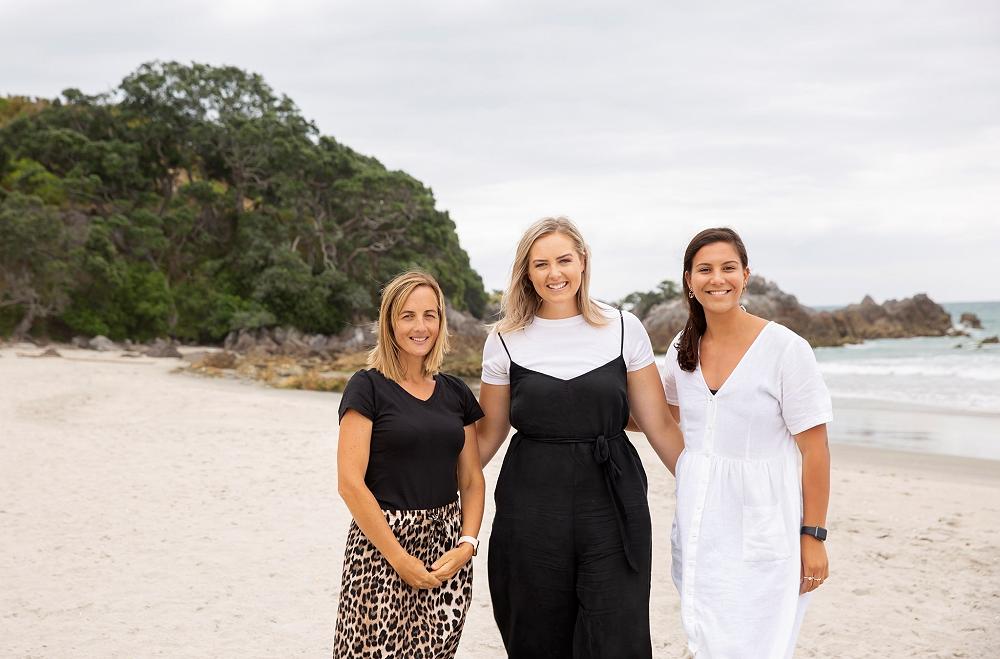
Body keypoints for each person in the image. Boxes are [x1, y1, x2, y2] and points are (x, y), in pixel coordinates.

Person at [477, 216, 685, 658]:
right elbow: (488, 435)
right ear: (527, 272)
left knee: (617, 632)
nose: (554, 273)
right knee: (535, 631)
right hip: (530, 504)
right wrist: (428, 482)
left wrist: (704, 484)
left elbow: (660, 425)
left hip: (613, 501)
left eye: (564, 260)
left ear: (583, 261)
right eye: (541, 264)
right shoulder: (504, 339)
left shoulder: (624, 327)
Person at [660, 228, 832, 658]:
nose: (717, 279)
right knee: (705, 639)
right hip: (699, 524)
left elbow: (815, 450)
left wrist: (814, 535)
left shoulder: (786, 349)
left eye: (728, 268)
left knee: (761, 643)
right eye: (705, 269)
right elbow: (658, 416)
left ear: (746, 276)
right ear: (689, 280)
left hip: (764, 523)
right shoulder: (682, 347)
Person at [334, 270, 485, 658]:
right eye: (408, 316)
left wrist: (467, 544)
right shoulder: (367, 387)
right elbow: (350, 483)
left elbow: (471, 478)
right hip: (381, 547)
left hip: (446, 548)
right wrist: (399, 558)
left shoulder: (456, 392)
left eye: (429, 315)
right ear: (389, 323)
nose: (421, 327)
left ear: (441, 321)